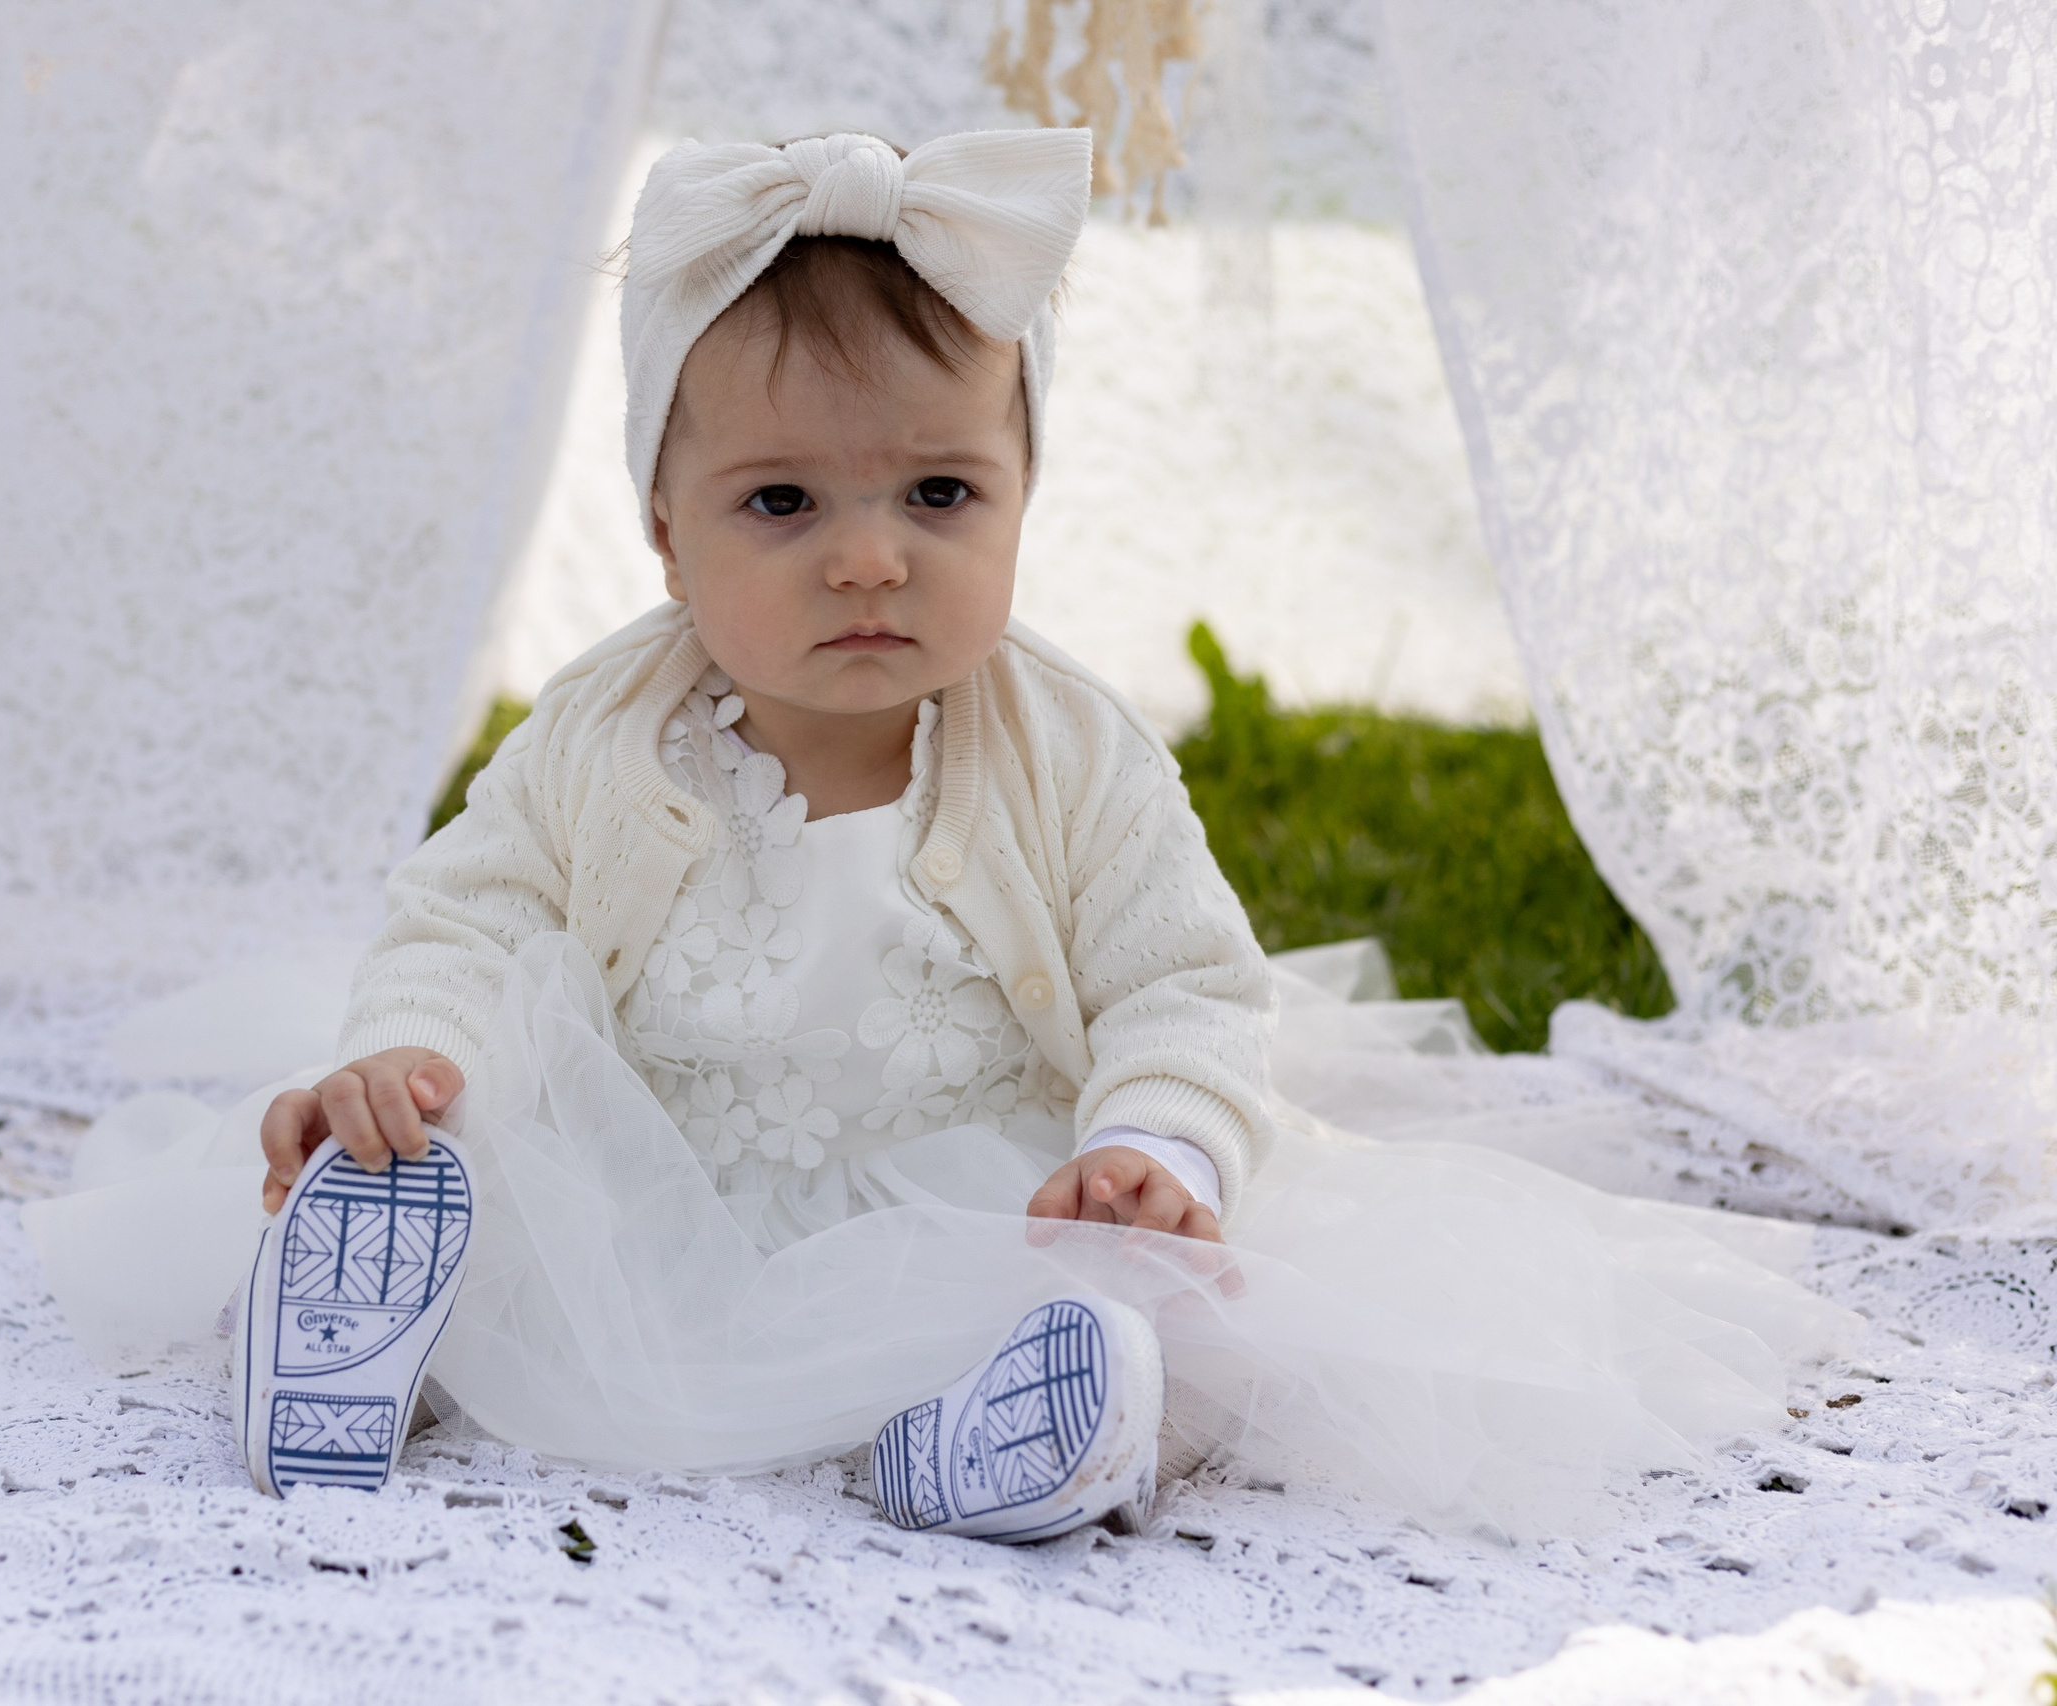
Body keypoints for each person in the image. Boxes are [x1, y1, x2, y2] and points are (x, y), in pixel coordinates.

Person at [191, 130, 1854, 1542]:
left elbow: (1186, 989)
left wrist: (1159, 1154)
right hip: (664, 1190)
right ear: (662, 531)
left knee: (1174, 1322)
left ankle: (1009, 1438)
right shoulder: (603, 731)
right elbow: (465, 912)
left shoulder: (1071, 753)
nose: (868, 560)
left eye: (939, 495)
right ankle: (363, 1334)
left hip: (981, 1200)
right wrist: (405, 1054)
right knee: (486, 1191)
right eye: (783, 502)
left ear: (1023, 494)